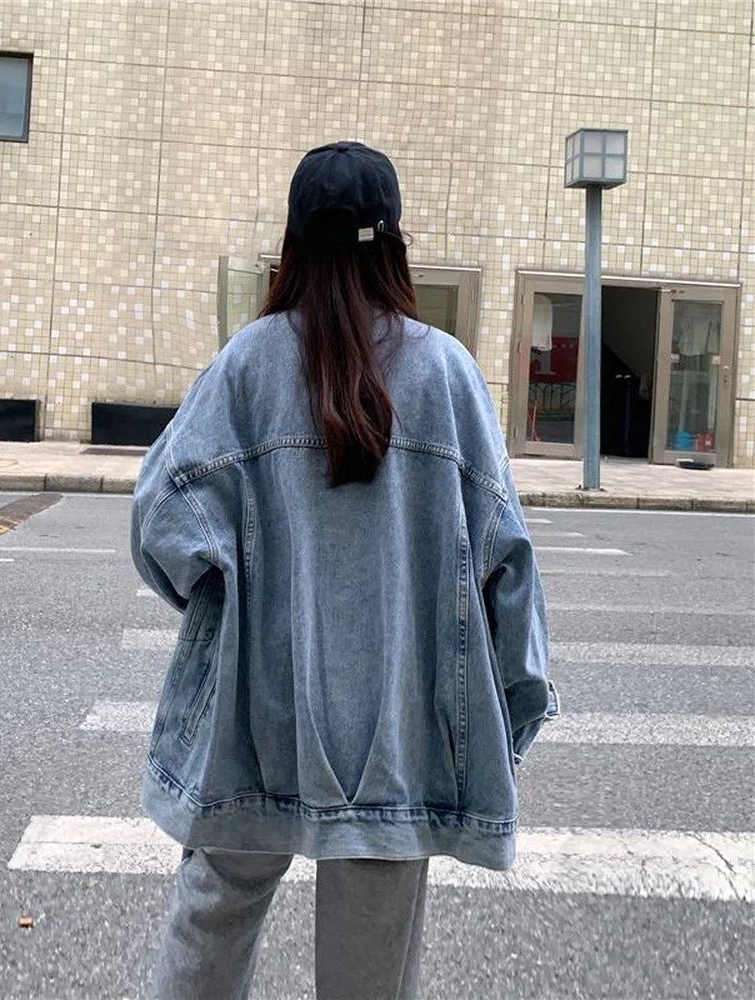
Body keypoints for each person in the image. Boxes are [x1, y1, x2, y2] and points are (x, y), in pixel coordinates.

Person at [131, 141, 558, 1000]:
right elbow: (506, 560)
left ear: (293, 246)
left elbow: (161, 521)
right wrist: (510, 712)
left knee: (213, 916)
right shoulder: (446, 375)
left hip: (253, 713)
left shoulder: (246, 366)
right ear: (394, 246)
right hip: (395, 731)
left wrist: (230, 602)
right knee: (371, 961)